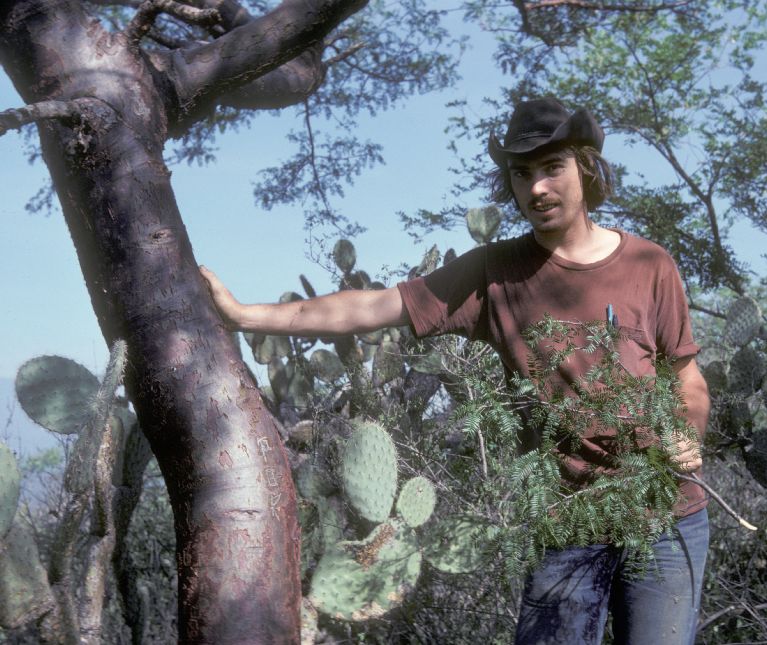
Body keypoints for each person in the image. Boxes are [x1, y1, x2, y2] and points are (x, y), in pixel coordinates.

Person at [201, 98, 710, 645]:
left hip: (666, 514)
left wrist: (688, 430)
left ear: (585, 167)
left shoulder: (648, 265)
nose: (537, 188)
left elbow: (687, 380)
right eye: (522, 174)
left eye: (552, 168)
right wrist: (245, 314)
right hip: (566, 521)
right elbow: (371, 308)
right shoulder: (494, 273)